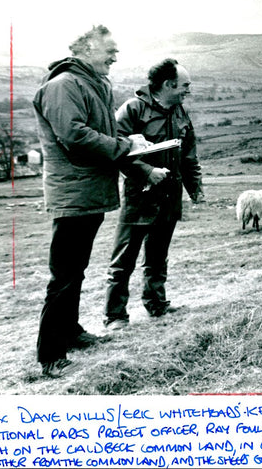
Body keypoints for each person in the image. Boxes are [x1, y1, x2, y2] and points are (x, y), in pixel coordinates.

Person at [33, 25, 149, 378]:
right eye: (109, 49)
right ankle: (50, 354)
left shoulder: (92, 83)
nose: (115, 55)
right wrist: (125, 147)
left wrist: (131, 141)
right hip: (73, 192)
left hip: (89, 191)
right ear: (85, 48)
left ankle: (70, 332)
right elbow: (74, 136)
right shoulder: (63, 85)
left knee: (75, 270)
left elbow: (102, 132)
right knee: (64, 275)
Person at [104, 58, 204, 329]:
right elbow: (115, 150)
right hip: (140, 196)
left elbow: (188, 155)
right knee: (124, 258)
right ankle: (115, 316)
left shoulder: (180, 112)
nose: (188, 91)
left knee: (158, 255)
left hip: (170, 196)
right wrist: (146, 171)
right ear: (168, 85)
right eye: (185, 86)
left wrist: (196, 189)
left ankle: (156, 304)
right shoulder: (133, 110)